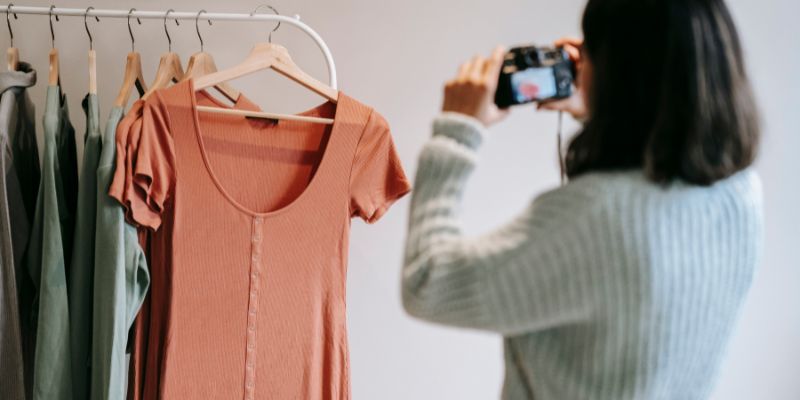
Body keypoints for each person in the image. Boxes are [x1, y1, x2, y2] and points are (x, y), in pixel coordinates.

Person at [401, 0, 762, 398]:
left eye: (589, 51)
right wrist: (602, 105)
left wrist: (457, 129)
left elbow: (428, 282)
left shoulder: (600, 218)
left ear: (620, 71)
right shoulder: (741, 194)